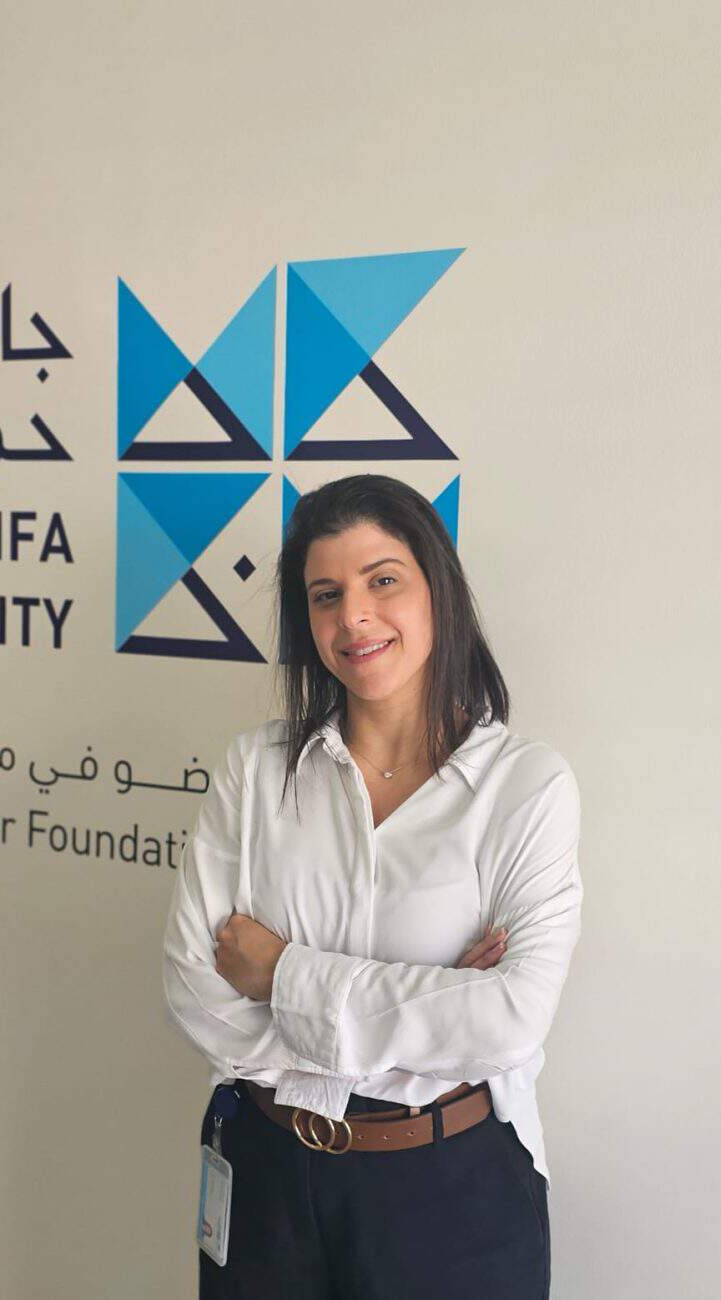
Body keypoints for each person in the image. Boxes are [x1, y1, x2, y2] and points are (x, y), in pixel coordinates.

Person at [161, 473, 582, 1299]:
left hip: (449, 1188)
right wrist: (431, 1002)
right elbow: (194, 992)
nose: (353, 616)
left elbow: (510, 1018)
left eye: (382, 580)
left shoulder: (526, 786)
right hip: (267, 1176)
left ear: (439, 592)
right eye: (326, 595)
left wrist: (282, 974)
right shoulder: (255, 771)